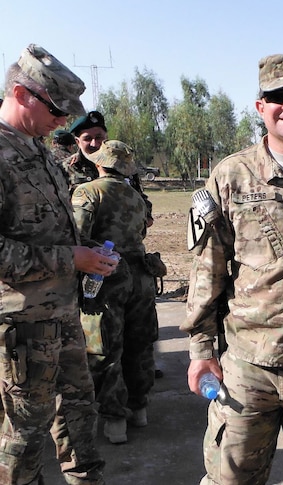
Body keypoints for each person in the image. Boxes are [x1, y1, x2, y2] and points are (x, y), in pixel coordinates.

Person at [183, 54, 283, 485]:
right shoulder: (230, 176)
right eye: (276, 97)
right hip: (246, 365)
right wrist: (201, 350)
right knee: (230, 477)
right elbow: (207, 269)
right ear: (260, 107)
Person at [0, 43, 118, 485]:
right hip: (22, 326)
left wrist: (89, 251)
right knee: (24, 433)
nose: (65, 121)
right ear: (21, 93)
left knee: (78, 410)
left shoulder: (40, 152)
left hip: (63, 314)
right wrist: (71, 257)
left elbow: (51, 228)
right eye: (57, 108)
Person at [71, 140, 159, 445]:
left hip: (106, 277)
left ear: (99, 163)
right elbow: (141, 232)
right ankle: (140, 408)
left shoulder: (88, 192)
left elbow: (77, 236)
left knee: (105, 347)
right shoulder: (136, 196)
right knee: (140, 342)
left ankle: (115, 418)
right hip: (142, 276)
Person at [63, 110, 154, 227]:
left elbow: (139, 197)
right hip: (82, 239)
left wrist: (146, 216)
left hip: (121, 239)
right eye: (87, 138)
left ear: (107, 137)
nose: (94, 144)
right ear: (77, 141)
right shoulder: (64, 169)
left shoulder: (123, 164)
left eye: (99, 137)